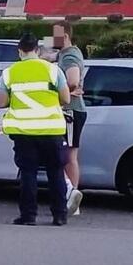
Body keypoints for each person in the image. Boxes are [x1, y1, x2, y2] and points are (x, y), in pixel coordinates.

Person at [0, 32, 71, 226]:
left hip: (24, 132)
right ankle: (59, 215)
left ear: (19, 51)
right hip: (52, 130)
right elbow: (66, 99)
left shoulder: (10, 72)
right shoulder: (53, 70)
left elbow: (0, 102)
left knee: (28, 174)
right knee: (56, 173)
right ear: (37, 50)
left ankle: (28, 216)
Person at [53, 21, 86, 216]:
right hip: (69, 111)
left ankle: (73, 198)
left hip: (71, 112)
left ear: (65, 36)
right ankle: (70, 196)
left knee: (69, 157)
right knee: (65, 156)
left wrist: (64, 92)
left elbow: (73, 81)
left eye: (55, 35)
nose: (52, 39)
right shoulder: (64, 54)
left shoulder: (71, 55)